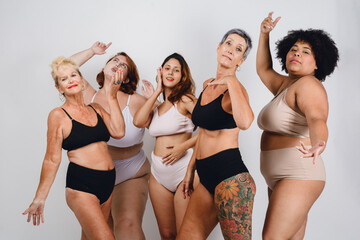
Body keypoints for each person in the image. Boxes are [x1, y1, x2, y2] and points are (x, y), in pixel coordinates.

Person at [23, 57, 125, 240]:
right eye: (64, 79)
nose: (70, 80)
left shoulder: (96, 108)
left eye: (73, 75)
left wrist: (112, 97)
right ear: (58, 88)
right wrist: (40, 198)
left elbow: (119, 132)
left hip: (108, 182)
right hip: (82, 186)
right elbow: (52, 159)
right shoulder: (58, 116)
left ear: (81, 79)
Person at [256, 12, 339, 239]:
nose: (296, 54)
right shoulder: (285, 84)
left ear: (317, 63)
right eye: (294, 49)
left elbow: (317, 119)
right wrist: (264, 35)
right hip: (279, 175)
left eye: (306, 52)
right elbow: (263, 70)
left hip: (298, 173)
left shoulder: (309, 86)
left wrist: (319, 143)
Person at [177, 28, 256, 240]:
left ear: (241, 61)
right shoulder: (207, 86)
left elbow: (246, 122)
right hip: (205, 177)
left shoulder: (236, 90)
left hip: (231, 180)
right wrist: (190, 169)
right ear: (219, 48)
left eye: (238, 49)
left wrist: (231, 82)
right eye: (228, 44)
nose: (231, 50)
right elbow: (203, 132)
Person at [70, 42, 152, 239]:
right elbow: (65, 67)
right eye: (114, 60)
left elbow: (175, 117)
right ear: (104, 67)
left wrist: (154, 97)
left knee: (127, 226)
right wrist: (91, 51)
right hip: (95, 174)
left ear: (127, 78)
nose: (118, 64)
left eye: (123, 66)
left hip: (132, 171)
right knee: (95, 233)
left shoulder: (137, 101)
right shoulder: (88, 95)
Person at [133, 53, 198, 240]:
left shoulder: (186, 100)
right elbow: (138, 122)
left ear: (182, 76)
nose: (171, 72)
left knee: (184, 234)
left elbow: (212, 128)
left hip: (182, 171)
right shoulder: (157, 106)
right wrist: (155, 92)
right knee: (167, 234)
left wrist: (182, 147)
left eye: (176, 70)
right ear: (160, 72)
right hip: (158, 174)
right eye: (167, 68)